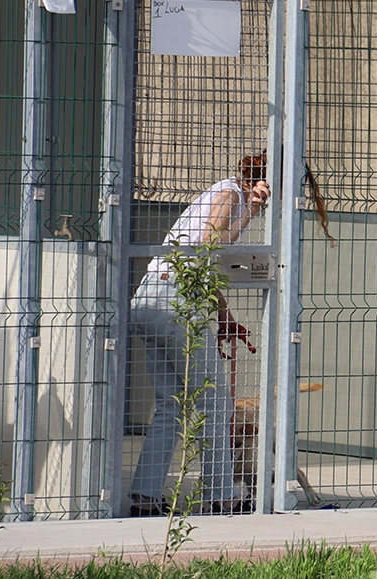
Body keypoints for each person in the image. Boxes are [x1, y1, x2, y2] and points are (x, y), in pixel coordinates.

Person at [127, 153, 270, 516]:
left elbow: (205, 252)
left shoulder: (231, 198)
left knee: (170, 405)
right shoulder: (229, 195)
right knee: (217, 404)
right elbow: (206, 248)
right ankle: (221, 495)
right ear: (262, 179)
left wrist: (223, 316)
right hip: (176, 301)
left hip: (149, 297)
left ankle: (145, 497)